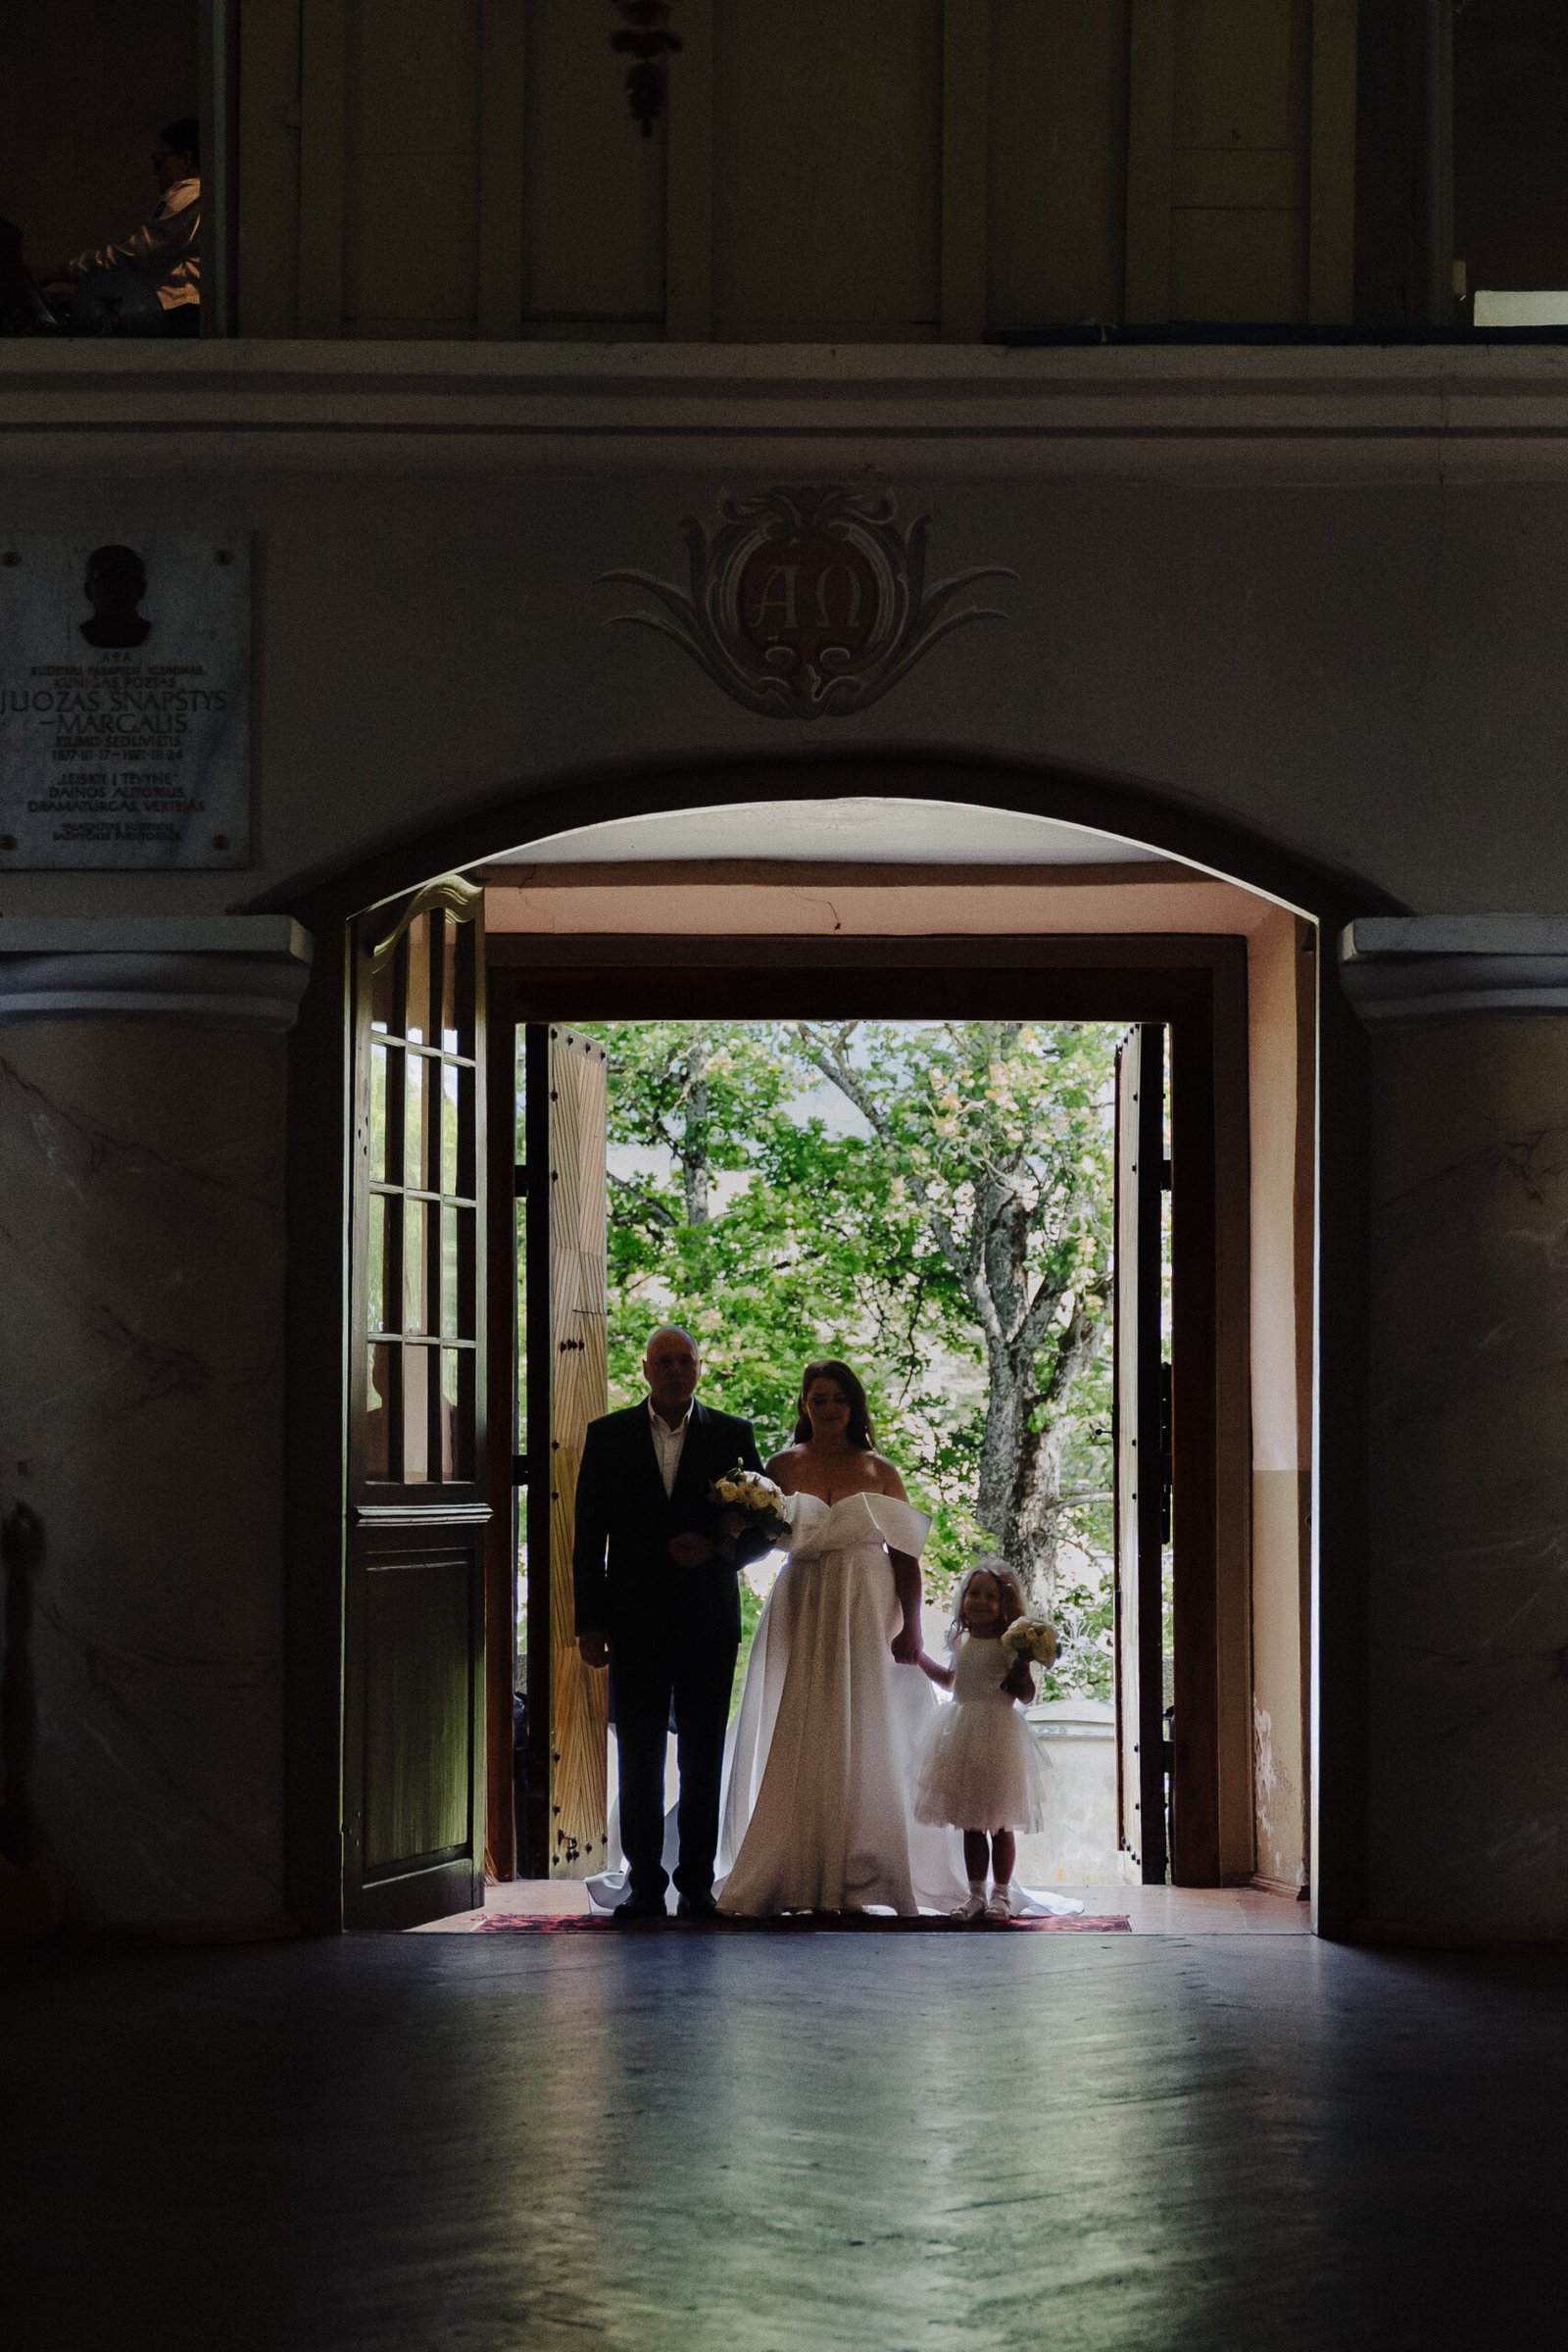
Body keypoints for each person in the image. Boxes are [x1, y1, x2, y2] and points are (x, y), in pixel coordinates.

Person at [717, 1358, 968, 1916]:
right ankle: (797, 1866)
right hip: (804, 1598)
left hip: (866, 1602)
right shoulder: (781, 1466)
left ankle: (866, 1867)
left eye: (838, 1399)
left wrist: (912, 1628)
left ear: (853, 1406)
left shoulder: (880, 1470)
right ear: (804, 1405)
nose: (828, 1408)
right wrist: (736, 1525)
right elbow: (759, 1536)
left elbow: (906, 1557)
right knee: (804, 1720)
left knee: (865, 1723)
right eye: (818, 1399)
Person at [573, 1325, 765, 1922]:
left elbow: (768, 1527)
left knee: (703, 1756)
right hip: (633, 1619)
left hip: (707, 1618)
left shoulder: (732, 1435)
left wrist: (717, 1550)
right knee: (639, 1755)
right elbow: (588, 1537)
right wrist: (589, 1622)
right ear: (646, 1370)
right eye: (666, 1361)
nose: (677, 1370)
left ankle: (697, 1884)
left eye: (686, 1361)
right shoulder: (608, 1436)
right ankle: (645, 1885)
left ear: (699, 1367)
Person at [913, 1559, 1050, 1920]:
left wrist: (1022, 1667)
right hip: (963, 1735)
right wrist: (919, 1658)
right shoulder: (962, 1642)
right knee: (971, 1823)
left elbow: (1026, 1695)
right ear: (963, 1599)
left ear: (1005, 1604)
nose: (980, 1601)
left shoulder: (1010, 1646)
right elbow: (950, 1682)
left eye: (991, 1596)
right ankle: (975, 1895)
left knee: (1000, 1823)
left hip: (999, 1739)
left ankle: (1000, 1895)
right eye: (974, 1593)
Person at [41, 119, 201, 334]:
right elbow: (156, 266)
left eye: (159, 161)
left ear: (184, 160)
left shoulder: (188, 194)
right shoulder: (200, 200)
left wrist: (63, 270)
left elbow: (137, 253)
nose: (156, 172)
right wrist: (88, 297)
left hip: (179, 312)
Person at [78, 546, 152, 649]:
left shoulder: (156, 635)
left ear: (141, 589)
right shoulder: (77, 636)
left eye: (123, 578)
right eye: (104, 579)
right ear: (88, 591)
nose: (114, 587)